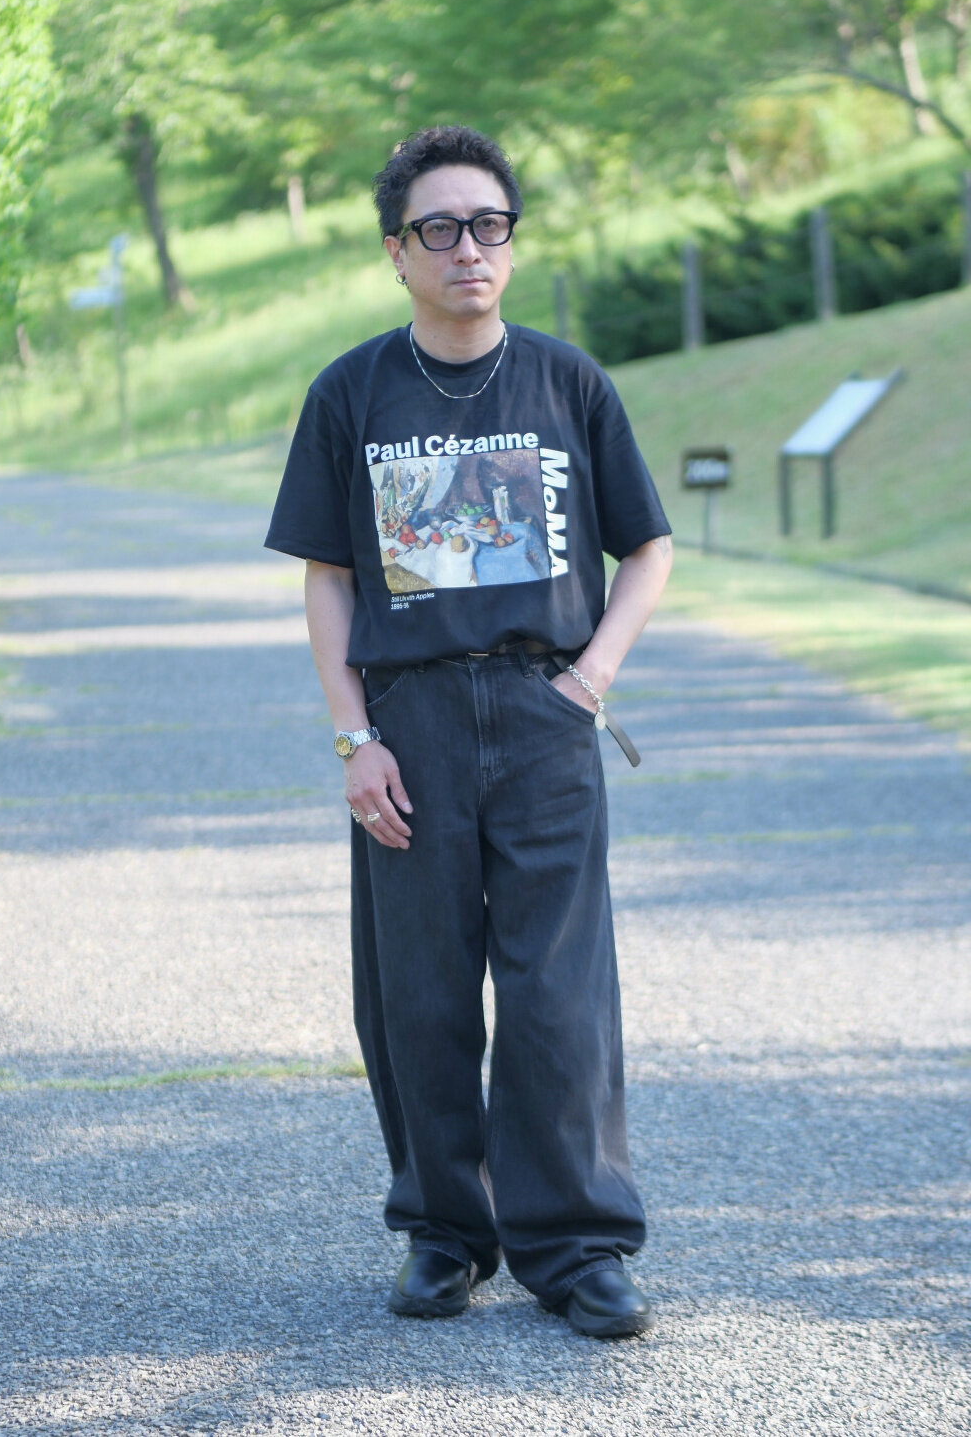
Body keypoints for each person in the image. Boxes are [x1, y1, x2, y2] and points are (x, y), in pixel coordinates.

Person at [265, 125, 673, 1339]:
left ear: (510, 241)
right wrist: (355, 739)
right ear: (397, 252)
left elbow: (647, 547)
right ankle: (446, 1232)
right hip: (413, 723)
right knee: (419, 992)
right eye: (437, 229)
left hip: (547, 712)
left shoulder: (567, 383)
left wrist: (590, 680)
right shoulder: (351, 393)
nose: (467, 250)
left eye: (488, 225)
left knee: (558, 991)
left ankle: (578, 1245)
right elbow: (329, 577)